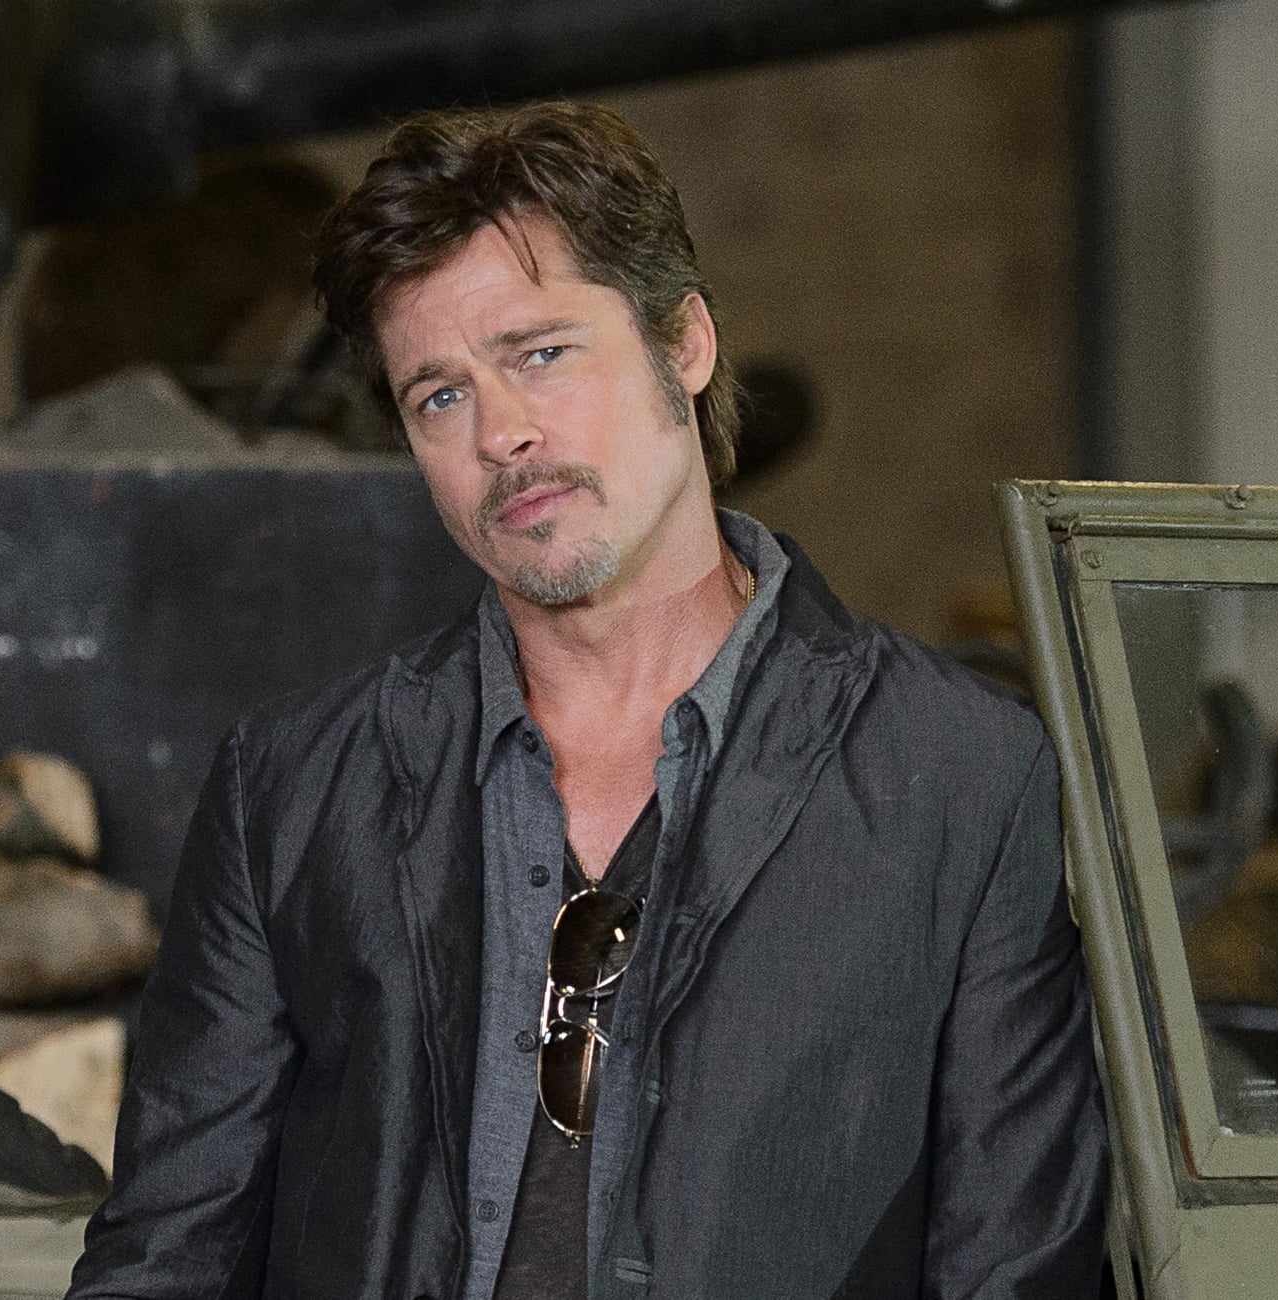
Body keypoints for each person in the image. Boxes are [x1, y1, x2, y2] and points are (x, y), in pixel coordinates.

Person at [68, 101, 1105, 1300]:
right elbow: (165, 1256)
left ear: (685, 344)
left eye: (540, 353)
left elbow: (1014, 1269)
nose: (500, 433)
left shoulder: (959, 776)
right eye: (438, 396)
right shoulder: (294, 790)